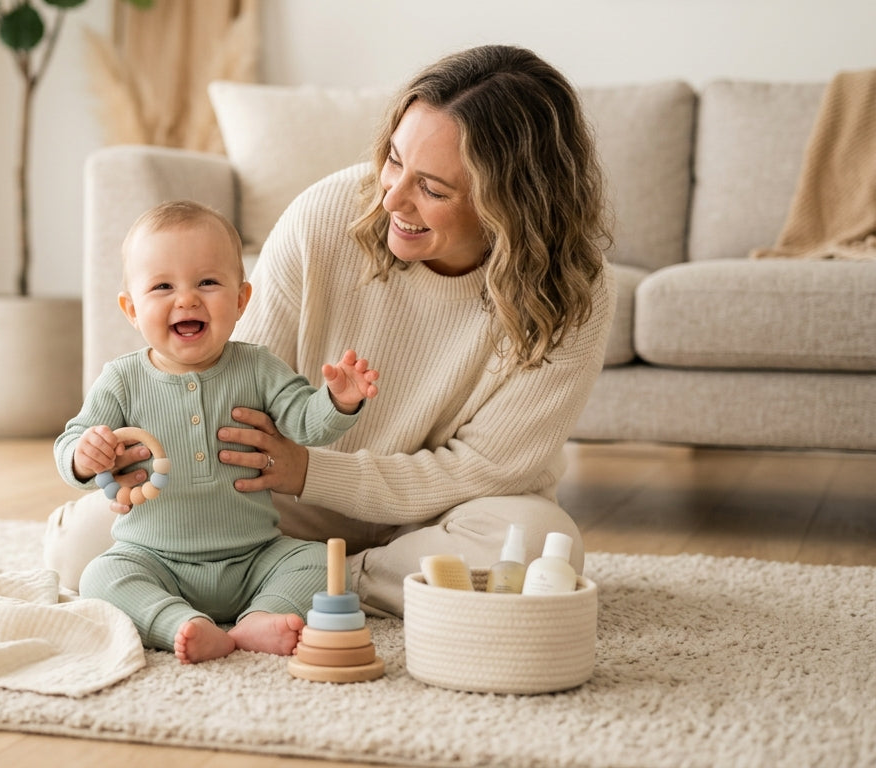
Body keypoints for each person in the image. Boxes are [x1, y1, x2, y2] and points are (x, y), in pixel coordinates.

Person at [45, 44, 616, 620]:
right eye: (394, 160)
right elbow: (232, 388)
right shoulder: (327, 214)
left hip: (436, 513)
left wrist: (313, 470)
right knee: (83, 548)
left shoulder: (574, 294)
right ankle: (299, 578)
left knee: (540, 544)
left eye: (434, 190)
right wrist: (127, 462)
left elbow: (482, 469)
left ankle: (323, 576)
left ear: (511, 204)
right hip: (274, 501)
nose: (392, 198)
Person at [54, 200, 380, 664]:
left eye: (207, 282)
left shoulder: (259, 367)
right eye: (162, 286)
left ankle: (259, 619)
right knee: (100, 577)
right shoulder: (121, 379)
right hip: (155, 557)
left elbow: (306, 423)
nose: (186, 299)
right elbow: (72, 440)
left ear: (242, 300)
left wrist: (339, 400)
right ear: (131, 309)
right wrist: (83, 456)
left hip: (254, 555)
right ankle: (180, 624)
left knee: (320, 565)